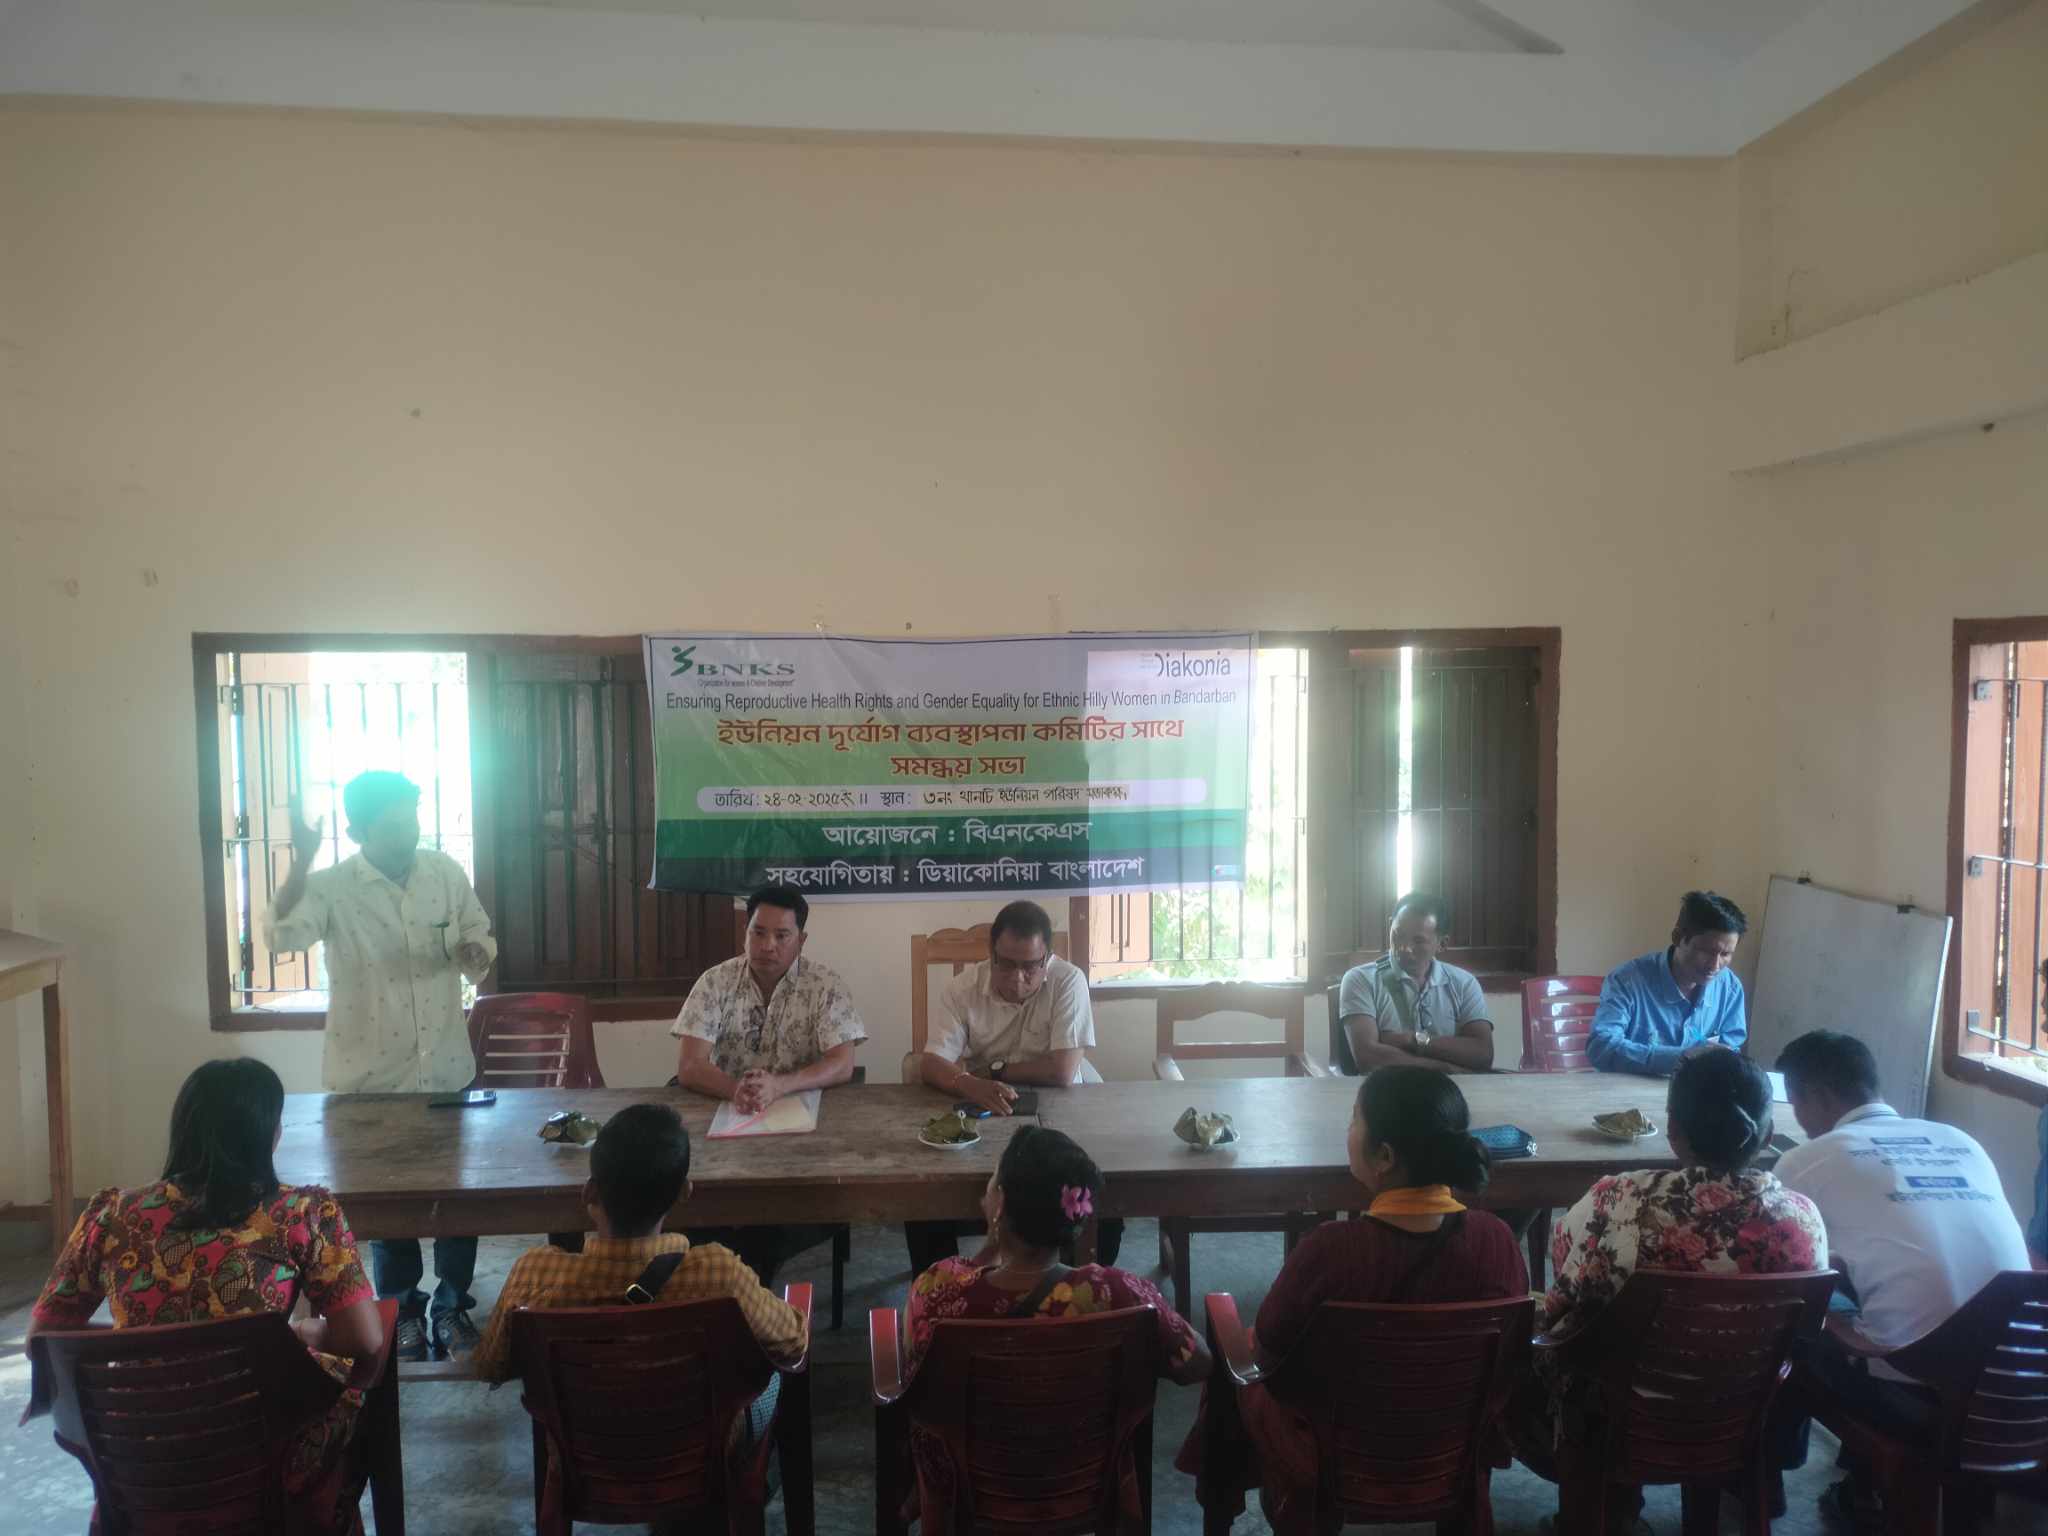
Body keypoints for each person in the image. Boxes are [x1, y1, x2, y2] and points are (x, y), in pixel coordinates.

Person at [28, 1060, 385, 1535]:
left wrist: (135, 1339)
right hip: (262, 1460)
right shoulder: (302, 1214)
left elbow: (43, 1336)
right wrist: (304, 1331)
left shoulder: (111, 1216)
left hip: (137, 1458)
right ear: (269, 1135)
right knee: (366, 1370)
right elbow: (363, 1337)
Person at [1177, 1067, 1528, 1529]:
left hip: (1332, 1454)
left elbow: (1267, 1354)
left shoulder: (1332, 1250)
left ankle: (1222, 1510)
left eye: (1353, 1120)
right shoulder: (1496, 1241)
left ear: (1384, 1156)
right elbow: (1508, 1363)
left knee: (1233, 1357)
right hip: (1451, 1443)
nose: (1348, 1131)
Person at [1507, 1048, 1827, 1534]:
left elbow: (1565, 1295)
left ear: (1673, 1130)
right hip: (1739, 1414)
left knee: (1523, 1345)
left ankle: (1609, 1509)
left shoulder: (1621, 1199)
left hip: (1616, 1420)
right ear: (1766, 1134)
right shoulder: (1803, 1219)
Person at [268, 770, 497, 1362]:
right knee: (388, 1206)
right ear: (358, 831)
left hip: (446, 1069)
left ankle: (451, 1305)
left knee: (459, 1199)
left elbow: (477, 931)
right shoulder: (331, 888)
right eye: (392, 826)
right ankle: (402, 1310)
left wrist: (475, 950)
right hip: (369, 1081)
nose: (407, 834)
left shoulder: (443, 873)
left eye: (411, 819)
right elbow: (279, 937)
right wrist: (301, 860)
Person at [1768, 1030, 2029, 1526]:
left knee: (1795, 1320)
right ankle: (1862, 1485)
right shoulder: (1960, 1141)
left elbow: (1782, 1267)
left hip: (1928, 1399)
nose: (1799, 1119)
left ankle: (1766, 1479)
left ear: (1816, 1096)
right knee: (1869, 1300)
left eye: (1796, 1104)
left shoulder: (1806, 1161)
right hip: (2026, 1385)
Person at [900, 1125, 1206, 1528]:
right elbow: (1197, 1363)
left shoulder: (938, 1291)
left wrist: (989, 1247)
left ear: (1000, 1203)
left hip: (967, 1496)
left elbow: (911, 1378)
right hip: (1085, 1488)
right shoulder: (1121, 1293)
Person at [474, 1103, 806, 1385]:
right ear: (684, 1193)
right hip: (700, 1439)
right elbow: (793, 1343)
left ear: (589, 1192)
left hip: (580, 1441)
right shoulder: (720, 1275)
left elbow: (490, 1366)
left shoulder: (535, 1276)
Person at [669, 883, 866, 1286]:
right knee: (688, 1207)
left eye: (781, 935)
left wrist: (781, 1085)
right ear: (745, 931)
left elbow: (843, 1064)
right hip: (724, 1123)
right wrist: (734, 1089)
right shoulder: (715, 982)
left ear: (801, 940)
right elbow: (690, 1066)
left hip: (798, 1134)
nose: (767, 945)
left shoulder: (824, 985)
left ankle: (742, 1296)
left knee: (768, 1226)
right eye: (758, 932)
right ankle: (719, 1289)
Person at [906, 899, 1120, 1269]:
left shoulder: (1068, 981)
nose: (1017, 977)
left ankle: (1073, 1287)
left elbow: (1062, 1071)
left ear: (1047, 959)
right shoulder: (962, 989)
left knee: (1103, 1196)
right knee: (923, 1196)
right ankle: (945, 1293)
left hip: (1063, 1108)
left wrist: (993, 1072)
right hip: (988, 1112)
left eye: (1030, 966)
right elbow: (931, 1063)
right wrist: (968, 1083)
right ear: (990, 955)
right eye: (1005, 964)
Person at [1586, 890, 1749, 1076]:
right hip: (1630, 1092)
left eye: (1725, 954)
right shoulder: (1627, 981)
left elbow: (1730, 1050)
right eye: (1705, 951)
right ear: (1677, 937)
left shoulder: (1730, 988)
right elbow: (1601, 1047)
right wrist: (1684, 1058)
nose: (1715, 965)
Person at [1336, 892, 1494, 1073]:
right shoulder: (1361, 979)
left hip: (1450, 1090)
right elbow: (1368, 1058)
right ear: (1389, 926)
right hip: (1387, 1088)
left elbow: (1483, 1054)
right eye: (1398, 935)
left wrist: (1412, 1040)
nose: (1404, 948)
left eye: (1418, 941)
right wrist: (1446, 1069)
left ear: (1442, 944)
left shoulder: (1464, 983)